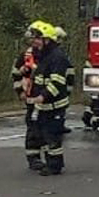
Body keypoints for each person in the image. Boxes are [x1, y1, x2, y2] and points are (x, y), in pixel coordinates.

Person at [29, 22, 71, 176]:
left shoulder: (57, 57)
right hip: (44, 105)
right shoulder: (44, 55)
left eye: (38, 38)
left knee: (52, 136)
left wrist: (42, 96)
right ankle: (50, 162)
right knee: (44, 135)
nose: (35, 41)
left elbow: (57, 82)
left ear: (47, 40)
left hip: (54, 105)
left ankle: (55, 166)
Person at [12, 21, 47, 170]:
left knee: (47, 128)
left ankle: (49, 157)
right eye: (32, 38)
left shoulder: (51, 54)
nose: (34, 41)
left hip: (47, 97)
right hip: (32, 97)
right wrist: (20, 92)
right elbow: (15, 74)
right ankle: (33, 157)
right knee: (33, 127)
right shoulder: (26, 55)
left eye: (37, 38)